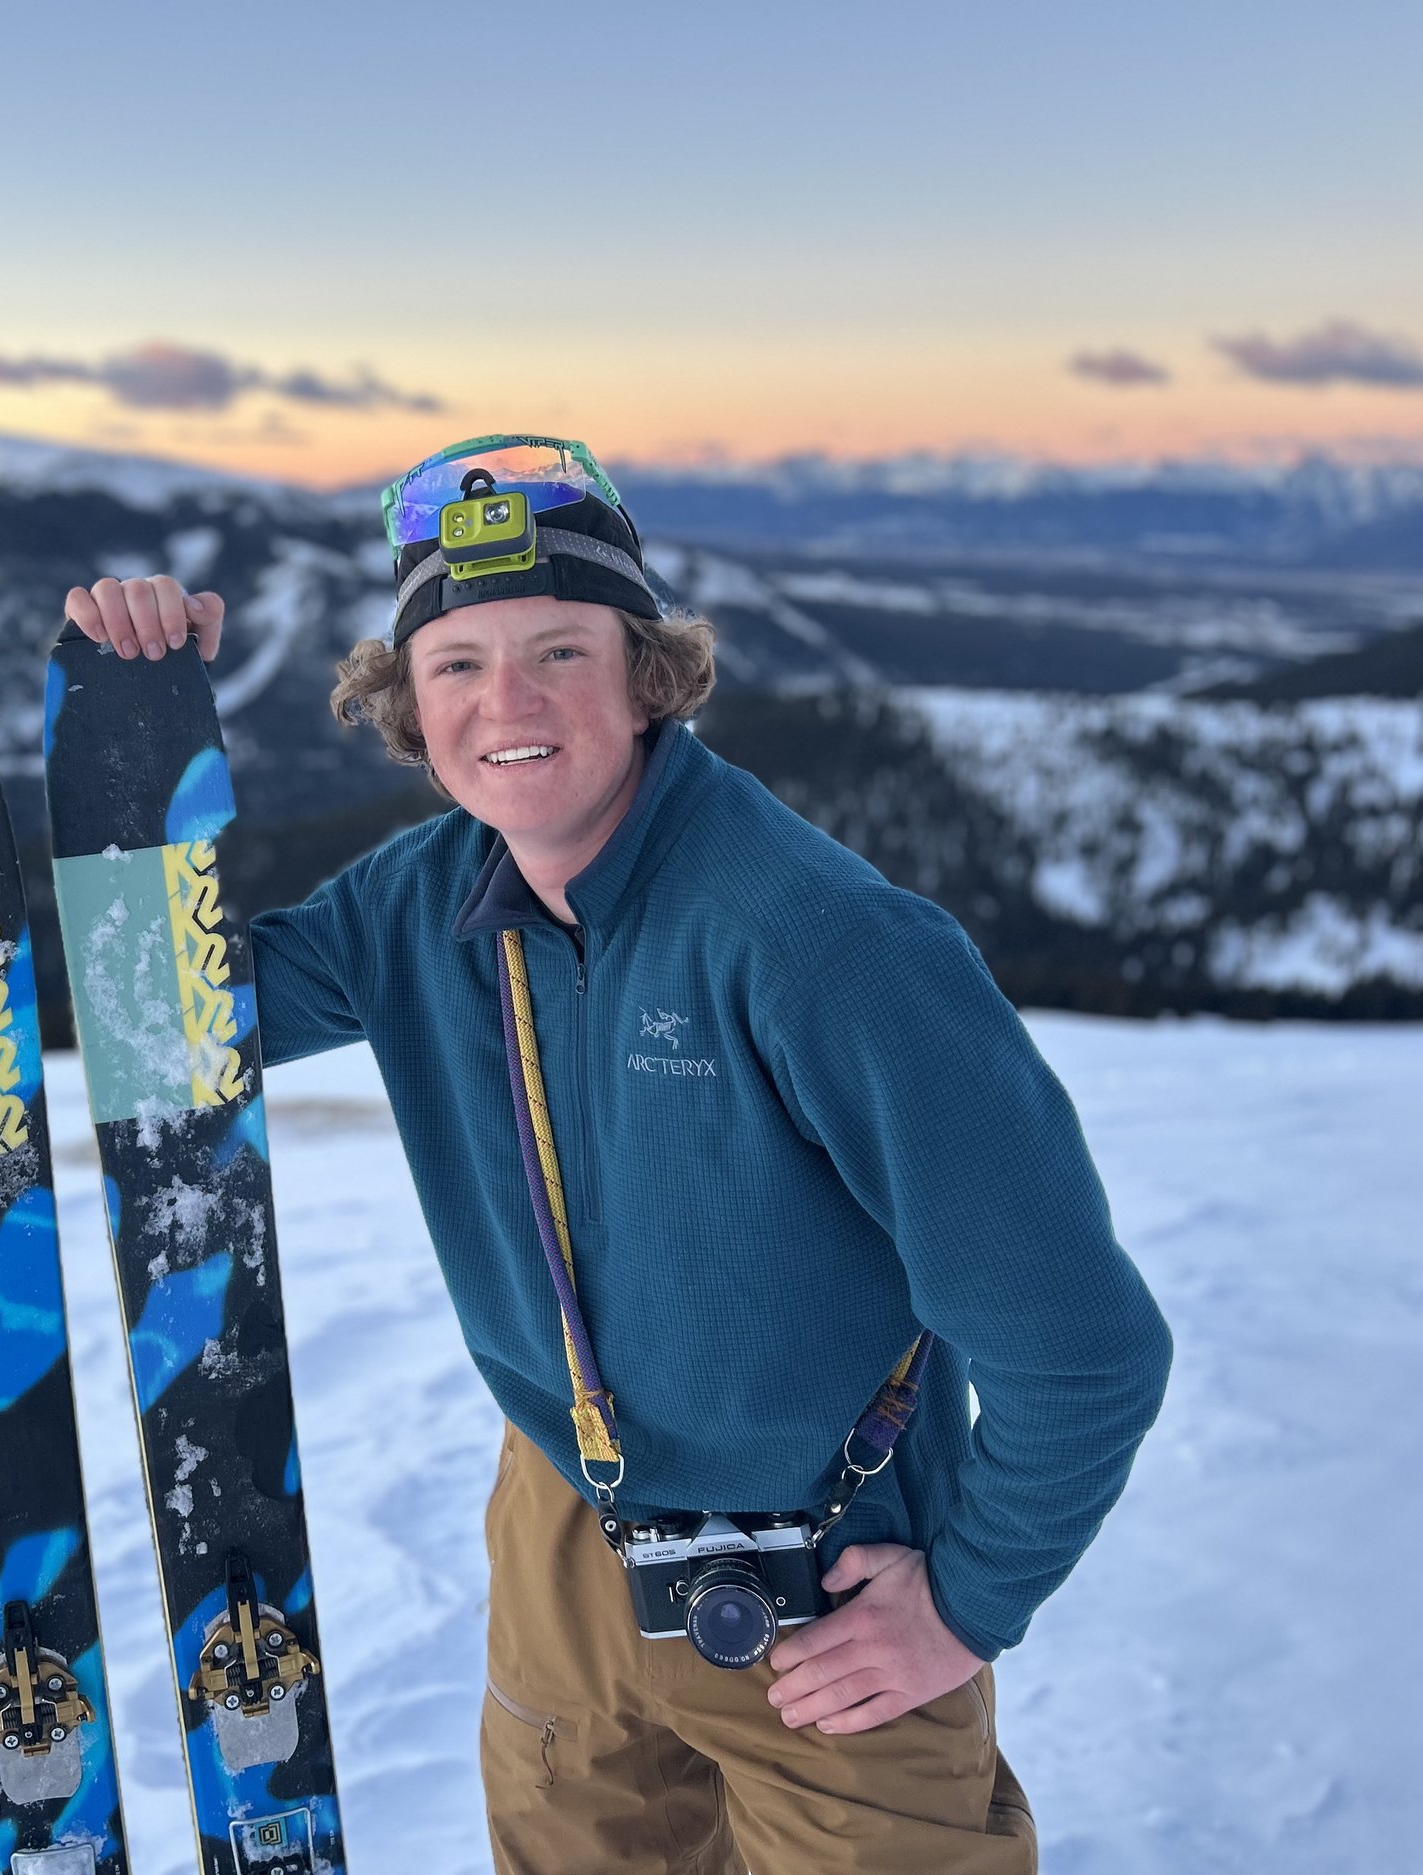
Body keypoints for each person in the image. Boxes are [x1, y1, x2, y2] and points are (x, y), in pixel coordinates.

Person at [65, 435, 1171, 1874]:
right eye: (456, 664)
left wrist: (969, 1601)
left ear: (647, 675)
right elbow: (171, 1026)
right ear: (408, 703)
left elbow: (1085, 1349)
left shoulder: (823, 946)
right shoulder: (421, 904)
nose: (504, 704)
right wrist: (136, 733)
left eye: (558, 652)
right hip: (563, 1539)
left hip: (819, 1589)